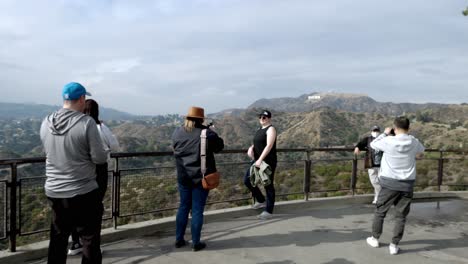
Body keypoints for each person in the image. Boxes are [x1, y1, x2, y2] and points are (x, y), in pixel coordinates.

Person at [40, 82, 108, 264]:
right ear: (81, 99)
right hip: (83, 191)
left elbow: (48, 152)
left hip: (55, 192)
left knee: (58, 239)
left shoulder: (46, 122)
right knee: (89, 241)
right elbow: (100, 158)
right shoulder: (87, 123)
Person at [67, 99, 120, 256]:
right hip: (98, 171)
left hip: (77, 170)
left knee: (76, 207)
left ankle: (75, 242)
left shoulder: (75, 126)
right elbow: (115, 146)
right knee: (93, 208)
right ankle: (90, 246)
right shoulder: (100, 127)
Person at [366, 116, 425, 255]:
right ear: (409, 128)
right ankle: (394, 245)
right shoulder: (413, 141)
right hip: (407, 185)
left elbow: (373, 145)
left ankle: (375, 238)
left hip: (388, 183)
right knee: (401, 216)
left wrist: (385, 133)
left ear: (394, 127)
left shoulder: (388, 140)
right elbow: (421, 152)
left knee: (380, 212)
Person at [172, 106, 224, 251]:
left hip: (183, 177)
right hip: (201, 178)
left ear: (187, 118)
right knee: (196, 210)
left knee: (183, 207)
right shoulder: (207, 134)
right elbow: (220, 147)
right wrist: (213, 131)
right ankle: (196, 242)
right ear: (201, 119)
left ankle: (179, 239)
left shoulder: (177, 132)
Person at [244, 110, 277, 220]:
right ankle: (261, 200)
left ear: (269, 118)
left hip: (267, 161)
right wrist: (251, 148)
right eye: (261, 117)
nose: (262, 119)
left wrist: (260, 159)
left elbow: (269, 145)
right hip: (257, 160)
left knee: (268, 184)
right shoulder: (260, 129)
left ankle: (269, 210)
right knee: (247, 180)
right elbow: (257, 142)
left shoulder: (271, 129)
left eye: (265, 117)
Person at [354, 125, 383, 204]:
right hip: (371, 164)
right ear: (371, 131)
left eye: (377, 131)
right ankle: (382, 196)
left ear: (379, 132)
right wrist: (357, 147)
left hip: (383, 165)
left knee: (380, 181)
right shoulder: (368, 139)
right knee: (374, 181)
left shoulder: (383, 139)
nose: (375, 132)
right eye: (374, 131)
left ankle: (377, 198)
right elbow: (360, 144)